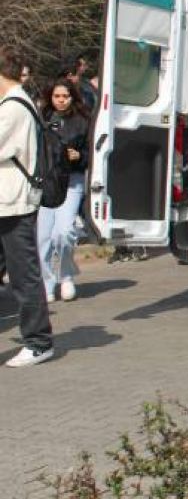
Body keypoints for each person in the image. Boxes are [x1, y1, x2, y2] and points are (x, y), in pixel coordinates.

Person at [0, 46, 55, 367]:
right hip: (6, 201)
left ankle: (38, 341)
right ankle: (36, 338)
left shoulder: (14, 109)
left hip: (14, 203)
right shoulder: (12, 104)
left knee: (24, 275)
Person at [37, 80, 88, 302]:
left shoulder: (83, 121)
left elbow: (91, 152)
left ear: (72, 97)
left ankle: (66, 276)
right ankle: (46, 283)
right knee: (43, 237)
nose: (61, 100)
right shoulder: (41, 118)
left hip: (72, 180)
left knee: (64, 232)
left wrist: (81, 157)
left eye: (65, 96)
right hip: (46, 181)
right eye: (57, 96)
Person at [75, 49, 100, 114]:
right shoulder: (66, 83)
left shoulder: (88, 83)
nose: (84, 67)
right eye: (80, 64)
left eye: (85, 65)